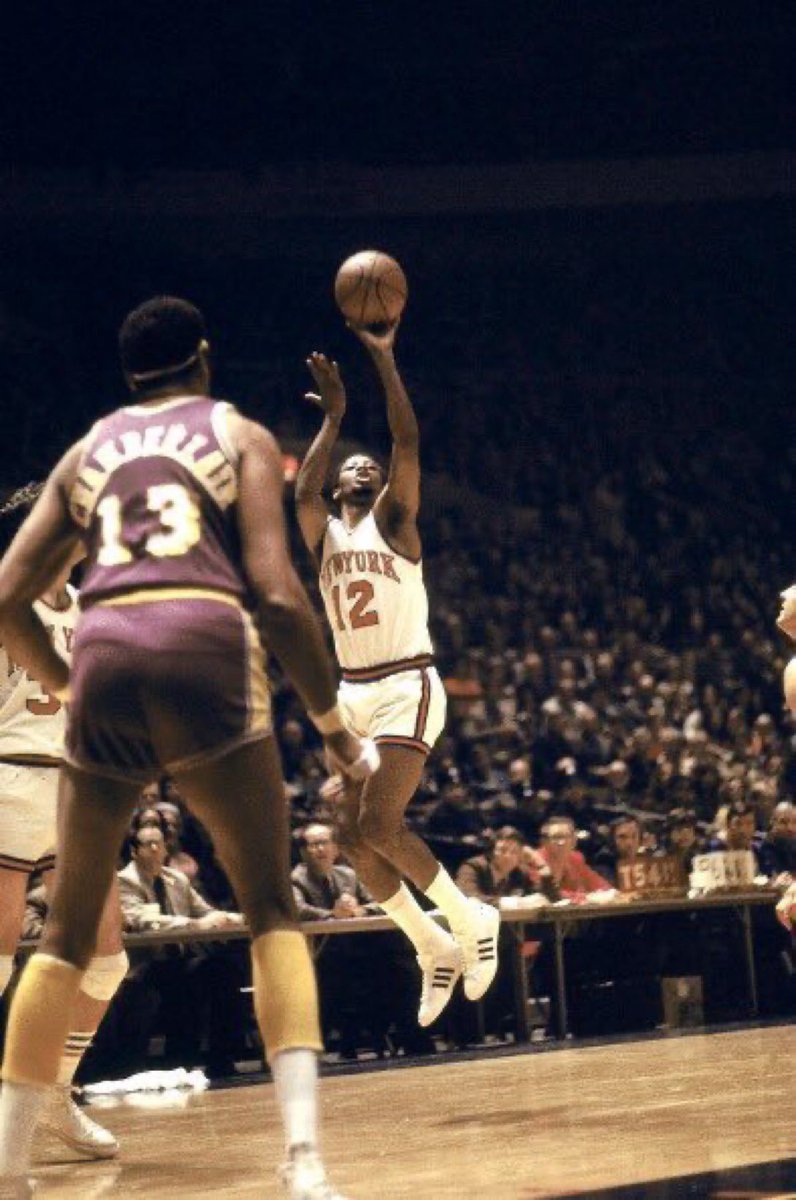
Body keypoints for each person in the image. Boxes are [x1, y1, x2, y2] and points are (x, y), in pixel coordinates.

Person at [0, 295, 379, 1200]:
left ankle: (13, 1158)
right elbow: (279, 598)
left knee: (71, 949)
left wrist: (64, 677)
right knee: (269, 913)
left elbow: (6, 596)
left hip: (102, 677)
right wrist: (334, 731)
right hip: (194, 652)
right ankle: (304, 1161)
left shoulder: (86, 451)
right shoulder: (236, 432)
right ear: (202, 358)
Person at [295, 325, 500, 1030]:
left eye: (370, 470)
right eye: (351, 468)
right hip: (352, 692)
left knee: (382, 821)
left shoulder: (396, 527)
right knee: (353, 838)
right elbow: (301, 491)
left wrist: (383, 360)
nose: (362, 470)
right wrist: (331, 419)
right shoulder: (324, 535)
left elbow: (405, 445)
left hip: (406, 684)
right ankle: (432, 945)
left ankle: (471, 917)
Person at [0, 484, 124, 1160]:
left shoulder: (86, 607)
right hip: (8, 775)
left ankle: (54, 1093)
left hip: (75, 789)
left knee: (107, 960)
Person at [117, 824, 247, 1079]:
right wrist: (194, 924)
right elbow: (141, 920)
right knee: (186, 981)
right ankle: (179, 1061)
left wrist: (231, 917)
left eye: (159, 843)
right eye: (147, 844)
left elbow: (205, 912)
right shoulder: (123, 881)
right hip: (143, 964)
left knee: (226, 971)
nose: (155, 849)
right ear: (134, 851)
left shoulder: (177, 879)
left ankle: (221, 1059)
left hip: (180, 960)